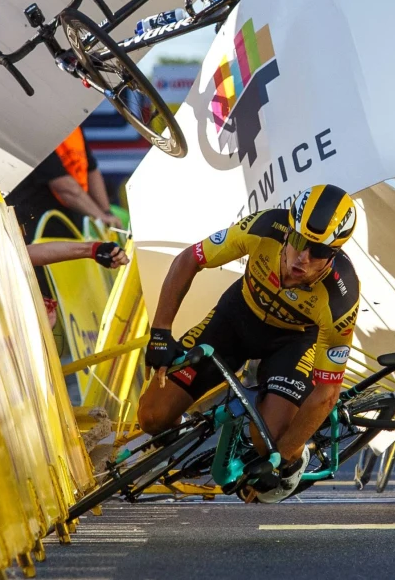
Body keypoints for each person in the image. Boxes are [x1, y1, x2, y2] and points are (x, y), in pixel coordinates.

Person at [137, 184, 360, 502]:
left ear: (334, 255)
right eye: (298, 242)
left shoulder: (341, 297)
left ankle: (288, 445)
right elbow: (190, 258)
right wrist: (160, 333)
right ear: (289, 231)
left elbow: (327, 392)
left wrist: (280, 459)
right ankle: (192, 430)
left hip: (293, 342)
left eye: (320, 251)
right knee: (152, 417)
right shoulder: (264, 227)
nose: (303, 257)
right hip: (235, 319)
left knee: (267, 443)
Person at [8, 127, 123, 242]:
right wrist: (101, 217)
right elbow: (63, 186)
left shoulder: (74, 126)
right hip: (39, 234)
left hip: (71, 232)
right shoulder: (34, 130)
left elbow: (91, 170)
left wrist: (106, 212)